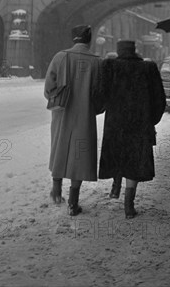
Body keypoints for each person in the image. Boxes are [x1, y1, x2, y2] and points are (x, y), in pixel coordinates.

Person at [98, 40, 166, 218]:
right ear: (135, 51)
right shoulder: (147, 68)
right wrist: (151, 121)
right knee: (134, 164)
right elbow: (159, 99)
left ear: (119, 52)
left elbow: (100, 95)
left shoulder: (110, 67)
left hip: (115, 124)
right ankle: (129, 205)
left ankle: (116, 185)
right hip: (139, 124)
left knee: (118, 156)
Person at [43, 25, 103, 216]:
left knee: (60, 147)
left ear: (73, 38)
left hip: (62, 114)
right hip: (85, 116)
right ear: (89, 39)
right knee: (80, 155)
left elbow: (48, 89)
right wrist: (92, 107)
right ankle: (73, 202)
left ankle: (56, 187)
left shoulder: (60, 57)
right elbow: (102, 95)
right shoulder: (97, 62)